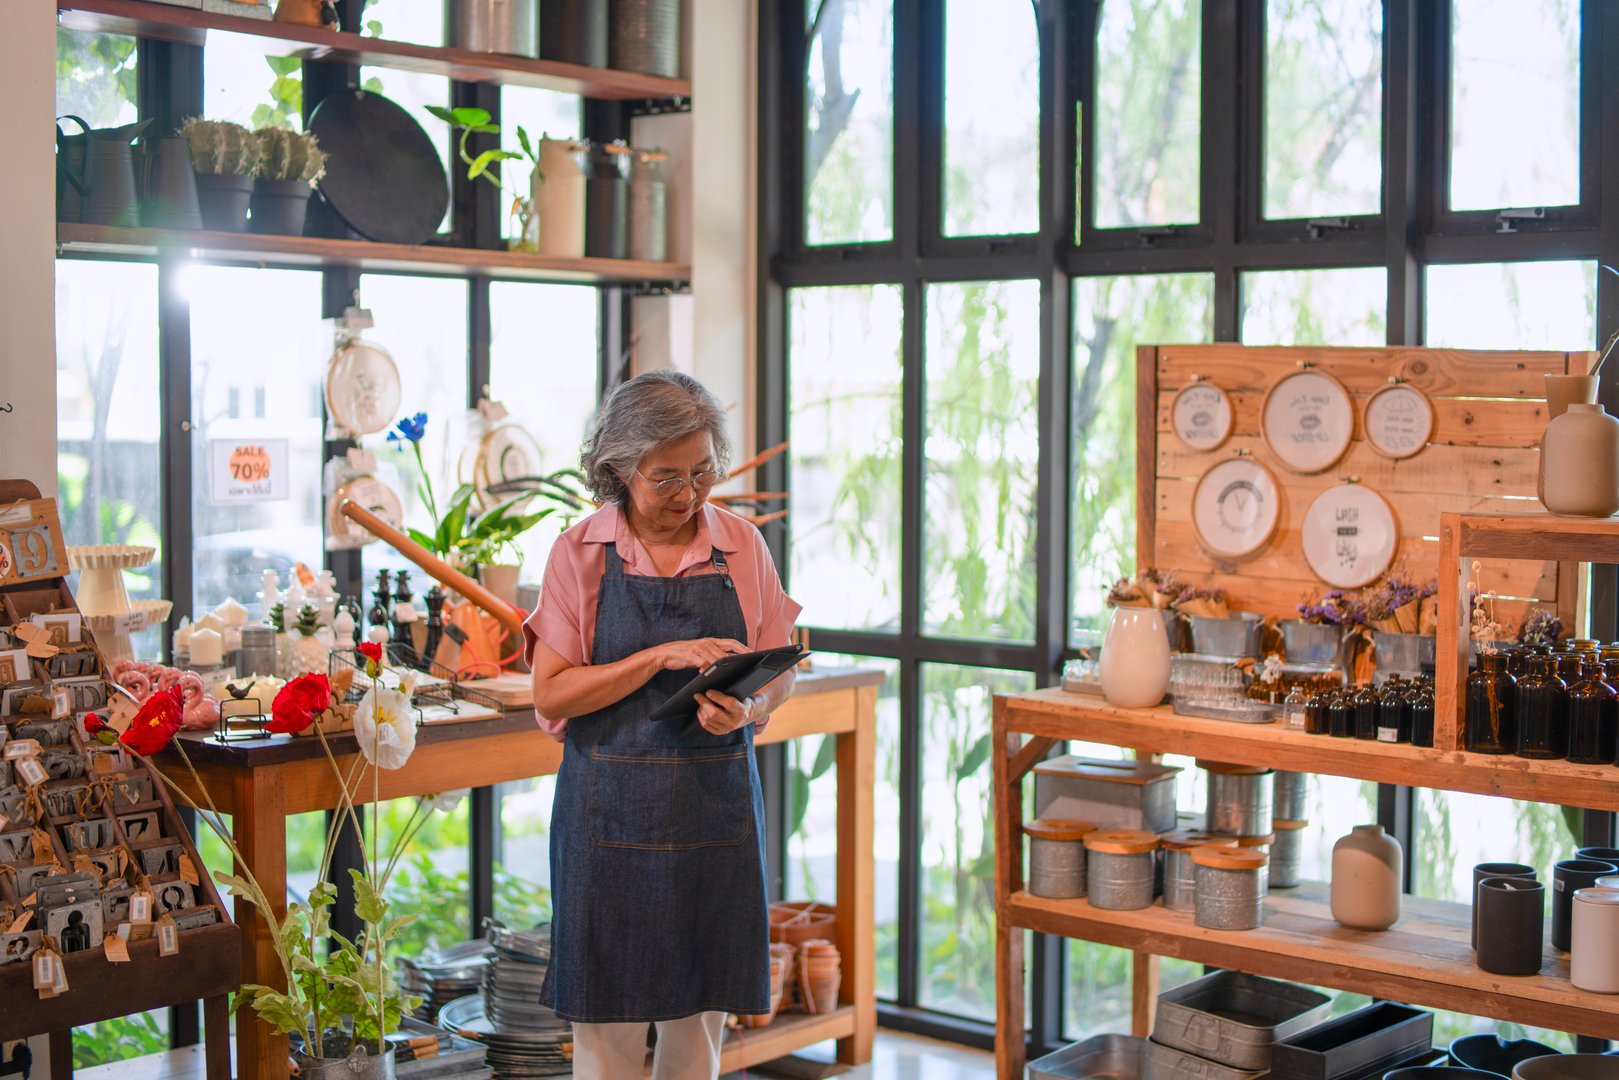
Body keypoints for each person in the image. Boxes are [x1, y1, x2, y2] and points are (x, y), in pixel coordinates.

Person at [525, 370, 801, 1080]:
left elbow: (780, 667)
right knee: (606, 1039)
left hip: (716, 816)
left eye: (703, 471)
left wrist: (751, 707)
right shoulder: (579, 553)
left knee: (696, 1034)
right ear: (620, 468)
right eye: (667, 478)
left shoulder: (741, 546)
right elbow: (552, 693)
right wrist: (657, 658)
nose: (689, 494)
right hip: (606, 823)